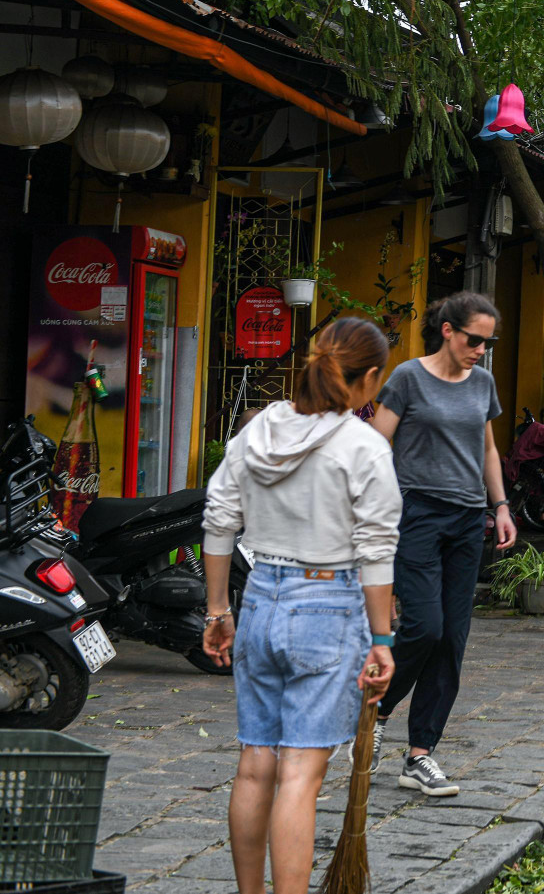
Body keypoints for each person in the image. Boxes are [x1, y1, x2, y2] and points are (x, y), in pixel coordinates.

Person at [200, 318, 402, 894]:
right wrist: (383, 640)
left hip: (261, 596)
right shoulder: (363, 446)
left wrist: (218, 610)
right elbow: (377, 554)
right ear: (367, 379)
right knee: (299, 775)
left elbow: (218, 520)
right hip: (329, 606)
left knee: (255, 763)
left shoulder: (261, 427)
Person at [371, 291, 518, 797]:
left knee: (453, 639)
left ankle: (420, 754)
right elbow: (374, 443)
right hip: (416, 514)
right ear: (448, 330)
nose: (481, 349)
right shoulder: (408, 377)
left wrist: (499, 507)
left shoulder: (482, 383)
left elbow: (487, 448)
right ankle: (379, 708)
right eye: (475, 339)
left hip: (466, 519)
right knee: (425, 628)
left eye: (489, 342)